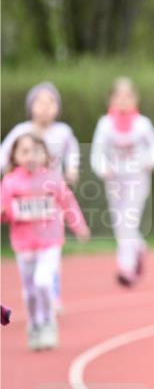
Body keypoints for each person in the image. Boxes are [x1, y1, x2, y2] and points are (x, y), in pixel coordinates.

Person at [1, 134, 89, 350]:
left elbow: (68, 203)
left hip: (50, 242)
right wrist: (6, 212)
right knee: (29, 291)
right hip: (23, 245)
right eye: (25, 151)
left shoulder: (52, 178)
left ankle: (49, 323)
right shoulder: (10, 181)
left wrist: (79, 226)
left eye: (36, 151)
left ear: (45, 155)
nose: (31, 156)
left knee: (42, 281)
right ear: (15, 156)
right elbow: (3, 209)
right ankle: (34, 324)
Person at [90, 77, 154, 287]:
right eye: (118, 96)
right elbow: (97, 151)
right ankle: (139, 247)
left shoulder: (142, 124)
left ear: (135, 99)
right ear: (110, 100)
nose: (123, 101)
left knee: (128, 221)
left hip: (137, 179)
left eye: (127, 96)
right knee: (118, 222)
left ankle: (126, 267)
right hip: (114, 181)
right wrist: (102, 168)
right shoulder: (104, 124)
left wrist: (151, 161)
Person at [1, 82, 80, 184]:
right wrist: (7, 170)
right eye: (40, 102)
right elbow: (4, 152)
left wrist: (72, 169)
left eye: (51, 102)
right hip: (23, 185)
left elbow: (72, 151)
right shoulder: (21, 130)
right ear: (30, 106)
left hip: (53, 184)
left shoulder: (63, 131)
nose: (45, 107)